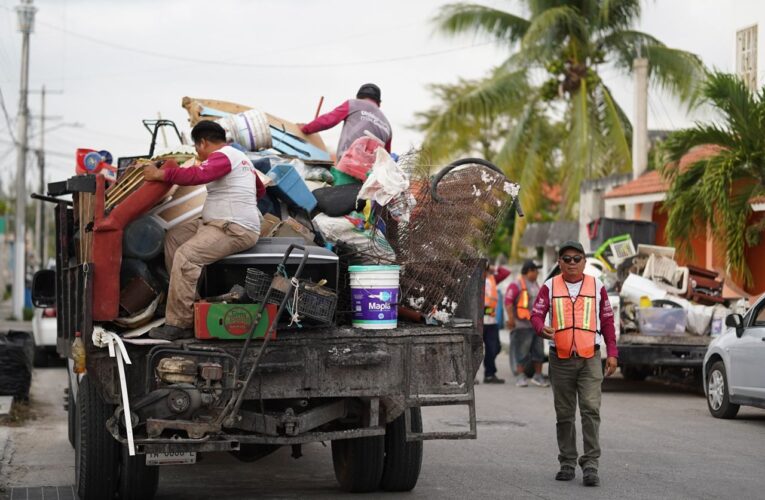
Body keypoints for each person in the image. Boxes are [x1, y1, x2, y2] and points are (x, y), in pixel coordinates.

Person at [143, 120, 266, 340]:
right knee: (174, 238)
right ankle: (188, 305)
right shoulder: (242, 159)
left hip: (233, 229)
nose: (197, 152)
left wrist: (160, 175)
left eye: (196, 148)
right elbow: (260, 189)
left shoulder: (223, 155)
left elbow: (197, 176)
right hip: (217, 223)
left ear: (202, 143)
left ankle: (179, 324)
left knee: (186, 256)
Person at [530, 241, 618, 487]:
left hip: (590, 358)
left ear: (584, 262)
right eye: (566, 258)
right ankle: (567, 462)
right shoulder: (549, 286)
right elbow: (536, 315)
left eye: (576, 258)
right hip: (560, 359)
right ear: (559, 262)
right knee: (565, 414)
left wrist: (612, 352)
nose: (571, 263)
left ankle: (591, 464)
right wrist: (541, 328)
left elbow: (608, 322)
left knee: (591, 410)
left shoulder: (596, 286)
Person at [299, 83, 392, 159]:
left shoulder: (353, 104)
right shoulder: (388, 126)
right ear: (379, 103)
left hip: (349, 164)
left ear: (358, 97)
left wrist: (305, 129)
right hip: (373, 174)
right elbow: (387, 157)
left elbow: (328, 120)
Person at [505, 260, 548, 388]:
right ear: (529, 270)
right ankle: (520, 376)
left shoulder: (535, 284)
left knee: (538, 352)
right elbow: (508, 302)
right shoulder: (516, 284)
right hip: (522, 325)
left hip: (536, 325)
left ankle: (538, 376)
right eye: (535, 271)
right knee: (522, 352)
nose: (537, 273)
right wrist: (511, 319)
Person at [483, 264, 510, 383]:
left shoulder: (492, 279)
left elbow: (505, 272)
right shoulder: (475, 281)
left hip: (491, 321)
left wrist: (495, 268)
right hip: (479, 321)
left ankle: (489, 373)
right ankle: (488, 374)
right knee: (475, 350)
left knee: (495, 348)